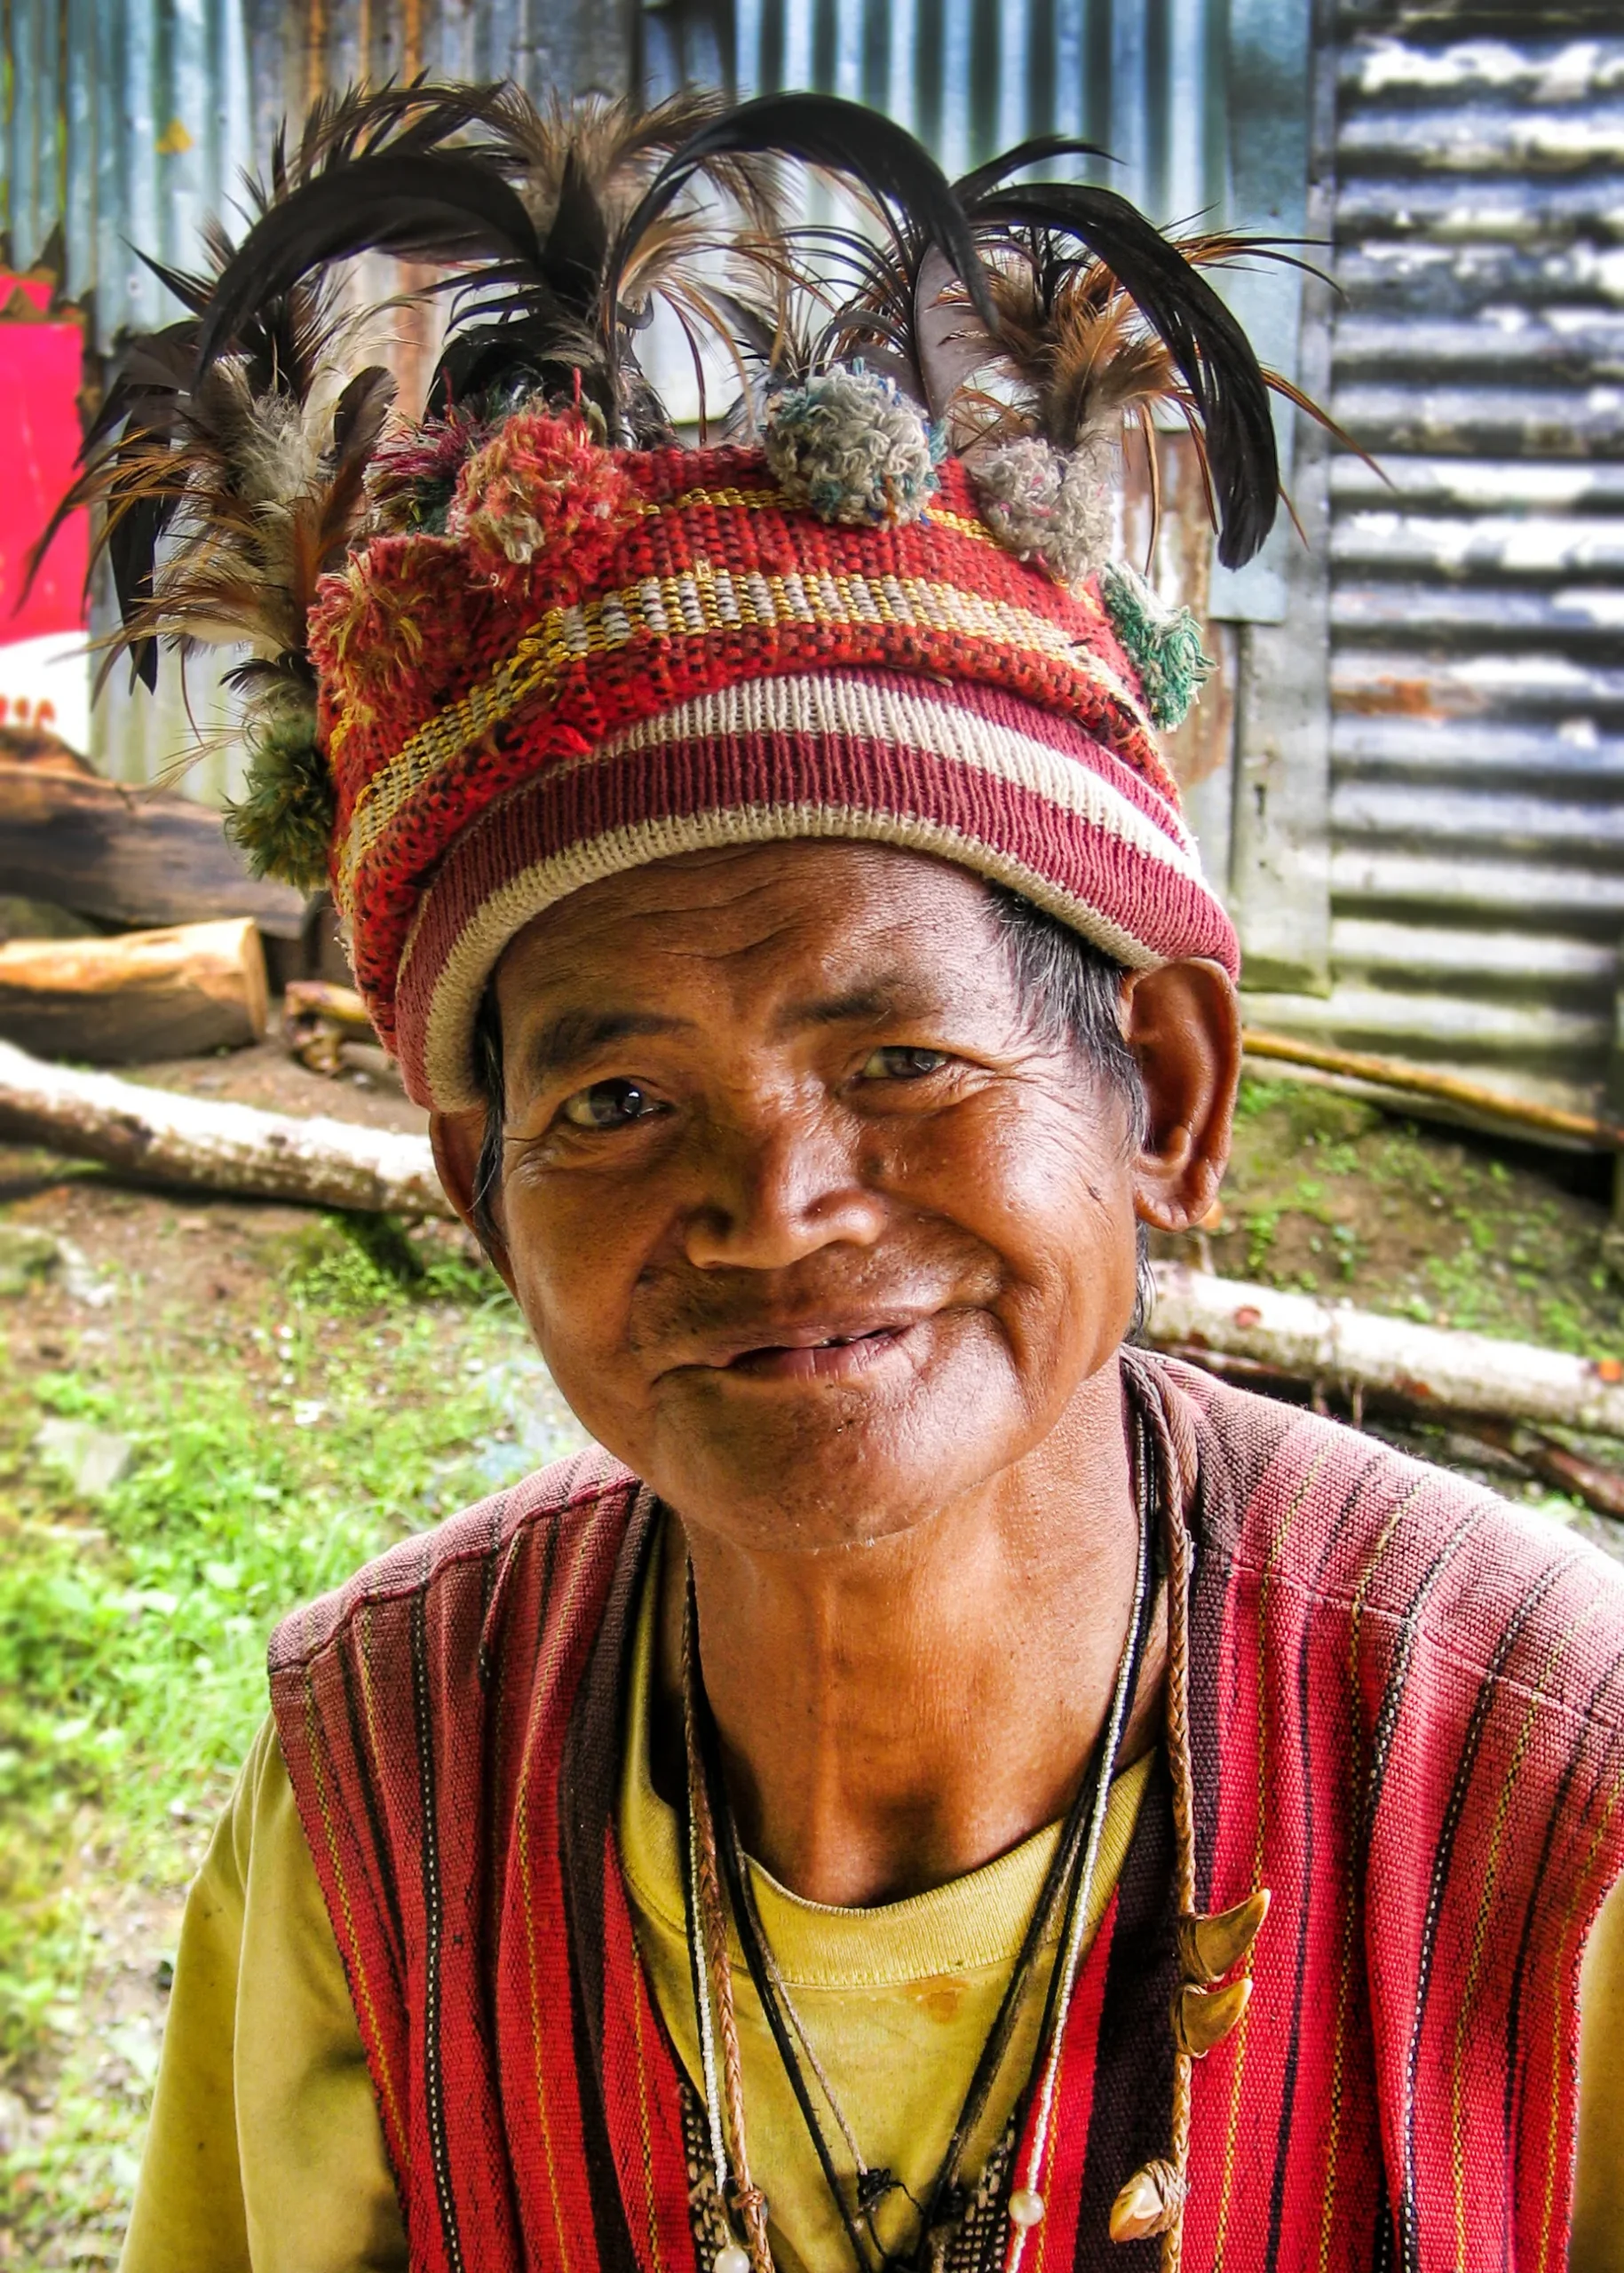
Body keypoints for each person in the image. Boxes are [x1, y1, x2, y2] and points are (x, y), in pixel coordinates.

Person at [88, 82, 1623, 2273]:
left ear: (1166, 1097)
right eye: (615, 1102)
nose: (773, 1203)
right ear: (473, 1178)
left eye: (894, 1053)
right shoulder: (377, 1806)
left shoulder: (1546, 1803)